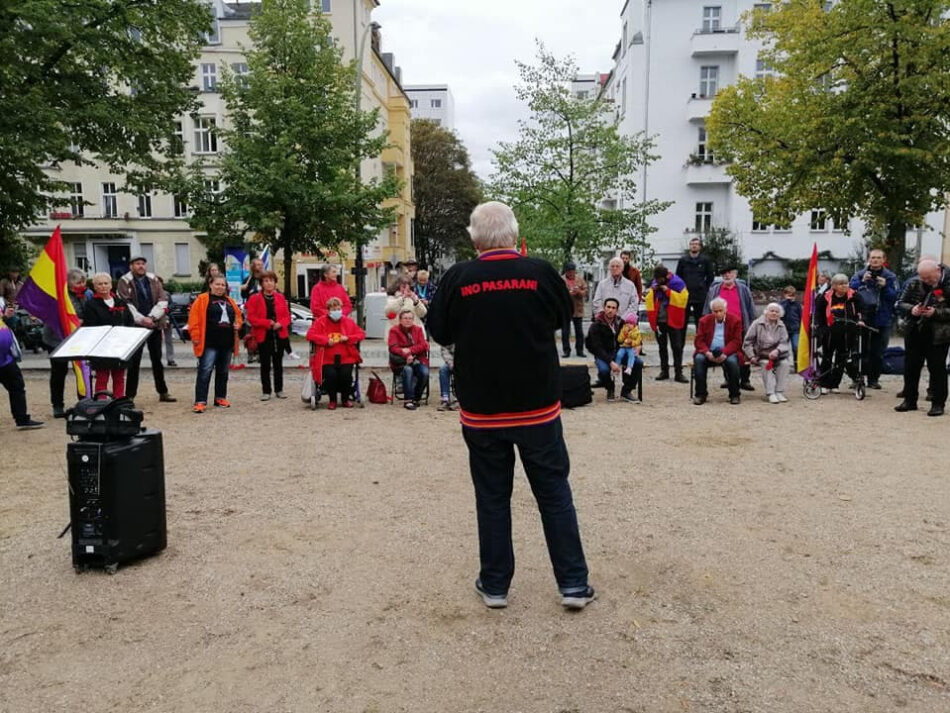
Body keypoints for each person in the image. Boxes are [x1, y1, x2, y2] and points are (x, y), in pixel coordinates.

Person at [428, 201, 594, 610]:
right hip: (536, 405)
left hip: (482, 408)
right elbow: (561, 317)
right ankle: (572, 583)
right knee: (554, 492)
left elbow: (438, 330)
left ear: (475, 238)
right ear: (514, 234)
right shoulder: (539, 272)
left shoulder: (458, 277)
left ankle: (496, 584)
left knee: (492, 496)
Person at [116, 256, 176, 403]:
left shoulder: (154, 279)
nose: (141, 266)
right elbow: (126, 303)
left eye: (143, 263)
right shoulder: (124, 281)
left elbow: (163, 300)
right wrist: (141, 319)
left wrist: (152, 317)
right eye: (137, 264)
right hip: (135, 327)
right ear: (131, 266)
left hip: (154, 325)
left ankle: (163, 392)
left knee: (157, 360)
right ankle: (130, 395)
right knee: (134, 362)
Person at [895, 259, 950, 417]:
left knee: (937, 369)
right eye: (923, 278)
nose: (926, 281)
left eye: (929, 278)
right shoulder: (914, 283)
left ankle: (938, 403)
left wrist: (936, 313)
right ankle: (909, 400)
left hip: (939, 334)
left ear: (938, 271)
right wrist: (912, 309)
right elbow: (900, 303)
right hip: (915, 330)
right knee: (911, 367)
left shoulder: (948, 283)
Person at [187, 276, 242, 413]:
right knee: (205, 371)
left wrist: (238, 324)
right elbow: (193, 319)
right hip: (209, 342)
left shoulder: (230, 301)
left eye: (223, 285)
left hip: (227, 342)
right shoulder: (202, 300)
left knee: (223, 372)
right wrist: (195, 336)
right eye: (217, 284)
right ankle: (200, 400)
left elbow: (238, 317)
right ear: (210, 285)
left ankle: (220, 397)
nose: (220, 287)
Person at [850, 249, 898, 389]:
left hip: (882, 319)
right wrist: (861, 282)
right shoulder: (859, 274)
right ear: (868, 259)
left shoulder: (890, 277)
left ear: (884, 259)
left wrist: (885, 287)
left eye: (878, 258)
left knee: (878, 351)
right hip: (862, 317)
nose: (875, 260)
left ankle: (873, 379)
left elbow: (896, 296)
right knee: (859, 349)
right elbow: (850, 292)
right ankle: (857, 378)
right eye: (873, 257)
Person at [42, 268, 87, 417]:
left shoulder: (87, 295)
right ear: (69, 283)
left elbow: (89, 312)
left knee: (82, 371)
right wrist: (72, 322)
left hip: (78, 338)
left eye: (83, 281)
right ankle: (57, 404)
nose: (81, 284)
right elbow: (54, 316)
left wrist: (83, 321)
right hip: (56, 339)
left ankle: (84, 401)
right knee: (59, 372)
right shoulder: (59, 296)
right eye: (78, 282)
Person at [306, 296, 365, 409]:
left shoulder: (348, 321)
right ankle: (332, 400)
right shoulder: (321, 321)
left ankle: (345, 399)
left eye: (338, 309)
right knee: (331, 375)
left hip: (346, 356)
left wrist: (347, 338)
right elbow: (310, 335)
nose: (336, 311)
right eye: (333, 309)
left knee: (346, 375)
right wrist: (325, 340)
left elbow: (361, 334)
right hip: (327, 357)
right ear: (328, 310)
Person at [703, 266, 756, 391]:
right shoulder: (714, 290)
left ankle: (745, 380)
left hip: (741, 326)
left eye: (730, 273)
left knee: (744, 354)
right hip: (722, 327)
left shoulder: (743, 289)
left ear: (735, 274)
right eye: (724, 273)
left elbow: (750, 307)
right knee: (724, 352)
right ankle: (728, 378)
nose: (727, 275)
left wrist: (752, 323)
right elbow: (707, 308)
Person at [82, 273, 134, 399]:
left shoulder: (120, 302)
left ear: (111, 285)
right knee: (102, 377)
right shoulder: (91, 305)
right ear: (94, 286)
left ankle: (119, 402)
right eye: (100, 284)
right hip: (101, 348)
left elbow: (129, 321)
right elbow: (90, 326)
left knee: (119, 377)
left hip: (119, 346)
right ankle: (101, 403)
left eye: (106, 283)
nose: (103, 286)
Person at [814, 274, 864, 394]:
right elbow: (819, 314)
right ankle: (824, 383)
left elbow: (861, 311)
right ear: (834, 286)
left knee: (841, 359)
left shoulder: (855, 296)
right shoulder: (824, 297)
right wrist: (822, 328)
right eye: (841, 284)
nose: (844, 286)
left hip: (847, 332)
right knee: (827, 357)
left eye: (846, 283)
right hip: (830, 332)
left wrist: (861, 320)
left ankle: (834, 383)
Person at [246, 270, 292, 401]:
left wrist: (281, 323)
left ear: (275, 283)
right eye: (266, 281)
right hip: (263, 335)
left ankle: (279, 389)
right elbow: (251, 318)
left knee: (278, 364)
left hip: (279, 335)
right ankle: (266, 391)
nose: (269, 283)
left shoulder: (280, 297)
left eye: (271, 280)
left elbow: (287, 316)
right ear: (261, 284)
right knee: (265, 364)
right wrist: (267, 323)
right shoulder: (254, 298)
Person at [585, 297, 640, 403]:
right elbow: (596, 348)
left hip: (621, 351)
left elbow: (635, 334)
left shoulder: (621, 322)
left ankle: (626, 391)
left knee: (638, 363)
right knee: (604, 370)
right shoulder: (596, 325)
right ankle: (610, 387)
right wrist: (611, 362)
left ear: (617, 310)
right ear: (604, 308)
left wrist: (638, 346)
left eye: (613, 308)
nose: (610, 310)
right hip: (603, 354)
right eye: (608, 307)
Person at [692, 297, 743, 405]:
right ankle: (701, 394)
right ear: (712, 311)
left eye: (721, 310)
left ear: (726, 310)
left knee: (732, 362)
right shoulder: (704, 321)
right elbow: (699, 341)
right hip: (708, 351)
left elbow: (737, 341)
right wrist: (707, 352)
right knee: (699, 360)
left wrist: (725, 352)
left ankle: (734, 394)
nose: (718, 313)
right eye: (716, 311)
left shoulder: (735, 320)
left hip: (727, 352)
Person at [643, 265, 689, 382]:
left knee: (677, 347)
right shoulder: (656, 282)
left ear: (665, 277)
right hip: (660, 320)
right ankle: (664, 371)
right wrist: (654, 290)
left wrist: (668, 291)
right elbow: (649, 297)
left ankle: (679, 373)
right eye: (656, 279)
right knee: (662, 347)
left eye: (659, 280)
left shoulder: (677, 282)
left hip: (673, 320)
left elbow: (683, 299)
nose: (657, 281)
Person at [0, 307, 43, 429]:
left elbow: (9, 323)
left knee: (17, 387)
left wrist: (7, 317)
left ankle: (22, 418)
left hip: (6, 359)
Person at [743, 302, 791, 404]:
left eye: (776, 312)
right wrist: (751, 356)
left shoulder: (782, 325)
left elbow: (784, 342)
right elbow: (747, 342)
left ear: (780, 314)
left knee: (785, 364)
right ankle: (770, 393)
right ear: (766, 312)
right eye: (771, 311)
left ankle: (779, 391)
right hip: (761, 354)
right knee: (766, 364)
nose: (774, 313)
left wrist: (777, 350)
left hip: (777, 354)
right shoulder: (757, 323)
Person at [388, 309, 429, 410]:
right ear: (400, 320)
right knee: (408, 370)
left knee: (424, 372)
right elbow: (393, 347)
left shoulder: (418, 330)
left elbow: (424, 345)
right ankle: (408, 400)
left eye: (410, 318)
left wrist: (410, 351)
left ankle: (416, 397)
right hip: (400, 362)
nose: (408, 320)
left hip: (417, 360)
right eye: (405, 318)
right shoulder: (394, 330)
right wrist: (405, 354)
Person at [675, 237, 714, 330]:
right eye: (692, 244)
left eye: (696, 244)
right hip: (685, 295)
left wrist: (704, 287)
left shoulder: (705, 260)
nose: (694, 246)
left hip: (700, 296)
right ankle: (679, 344)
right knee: (682, 323)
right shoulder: (683, 260)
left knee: (700, 323)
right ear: (689, 246)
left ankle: (700, 343)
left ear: (700, 247)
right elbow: (678, 277)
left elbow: (710, 276)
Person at [561, 262, 588, 358]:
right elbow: (557, 292)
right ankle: (566, 350)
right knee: (565, 331)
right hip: (565, 309)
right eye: (569, 272)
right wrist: (568, 293)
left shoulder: (580, 279)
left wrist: (579, 292)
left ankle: (580, 350)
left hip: (578, 308)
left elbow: (585, 291)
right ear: (566, 272)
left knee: (579, 331)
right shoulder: (561, 280)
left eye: (573, 271)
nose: (571, 274)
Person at [156, 276, 177, 367]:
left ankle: (170, 359)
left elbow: (172, 304)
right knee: (157, 341)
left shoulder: (167, 294)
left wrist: (168, 308)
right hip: (156, 320)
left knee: (169, 341)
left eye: (159, 283)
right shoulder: (151, 294)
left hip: (167, 319)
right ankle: (157, 360)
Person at [779, 286, 803, 362]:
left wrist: (800, 327)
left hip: (795, 329)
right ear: (784, 295)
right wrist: (787, 302)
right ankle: (782, 362)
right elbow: (781, 313)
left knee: (796, 347)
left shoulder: (797, 304)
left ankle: (796, 362)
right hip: (784, 329)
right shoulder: (781, 303)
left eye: (792, 295)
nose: (791, 297)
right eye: (789, 295)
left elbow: (800, 315)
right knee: (783, 347)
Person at [616, 312, 643, 377]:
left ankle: (629, 368)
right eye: (627, 323)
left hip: (631, 347)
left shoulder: (636, 332)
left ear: (634, 324)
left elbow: (638, 341)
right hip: (623, 346)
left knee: (631, 356)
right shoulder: (623, 329)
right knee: (619, 354)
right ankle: (617, 367)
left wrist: (632, 342)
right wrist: (623, 335)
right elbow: (619, 339)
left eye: (630, 323)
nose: (628, 325)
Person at [438, 343, 456, 411]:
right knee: (443, 370)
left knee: (461, 370)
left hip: (464, 363)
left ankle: (458, 400)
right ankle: (445, 399)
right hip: (451, 361)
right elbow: (444, 350)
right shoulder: (449, 335)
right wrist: (451, 363)